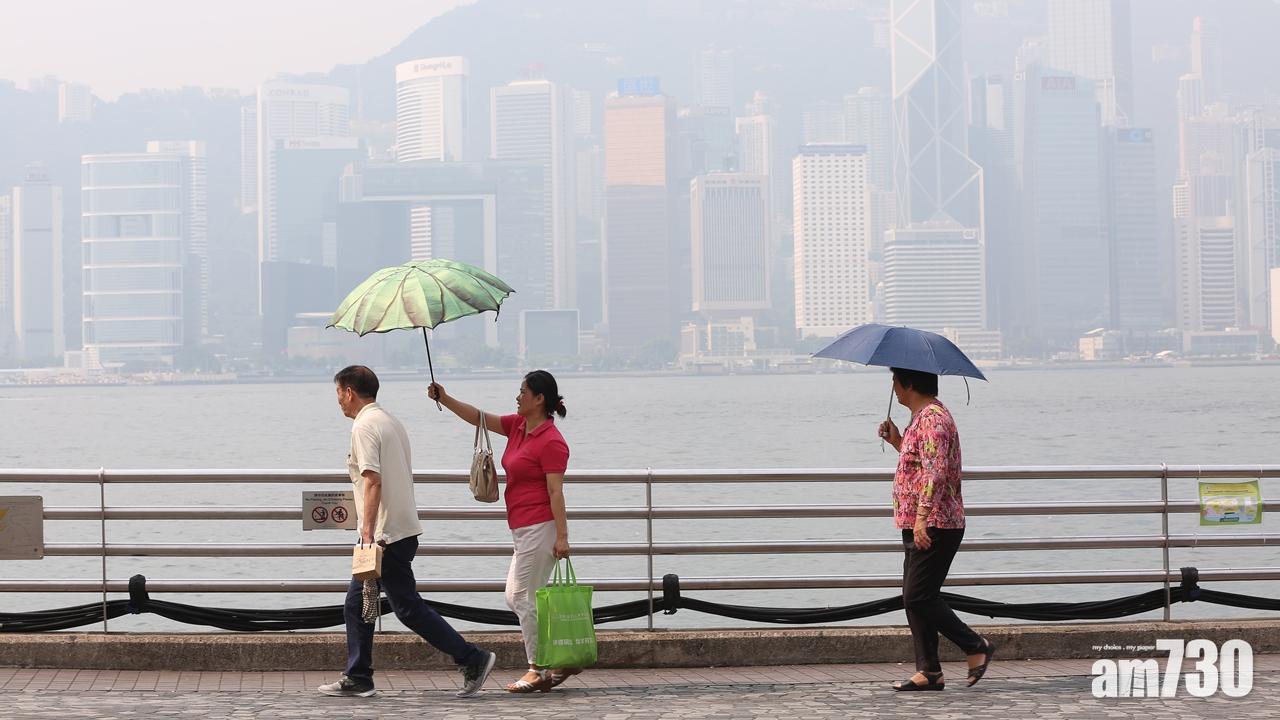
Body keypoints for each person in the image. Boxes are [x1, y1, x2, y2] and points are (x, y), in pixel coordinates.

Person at [319, 365, 496, 699]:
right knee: (359, 606)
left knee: (407, 608)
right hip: (401, 528)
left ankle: (472, 658)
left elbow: (373, 480)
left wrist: (368, 535)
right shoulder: (389, 421)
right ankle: (358, 676)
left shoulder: (364, 426)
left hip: (385, 535)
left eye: (339, 394)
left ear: (349, 392)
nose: (339, 401)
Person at [427, 370, 576, 693]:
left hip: (541, 527)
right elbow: (479, 418)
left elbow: (556, 493)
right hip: (522, 528)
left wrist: (562, 537)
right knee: (523, 596)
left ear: (539, 399)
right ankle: (559, 659)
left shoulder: (552, 441)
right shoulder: (518, 426)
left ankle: (538, 668)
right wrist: (445, 397)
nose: (518, 396)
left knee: (519, 595)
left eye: (523, 392)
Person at [877, 367, 995, 691]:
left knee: (918, 595)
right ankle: (929, 671)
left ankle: (975, 645)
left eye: (895, 381)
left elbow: (937, 472)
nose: (894, 388)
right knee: (913, 597)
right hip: (921, 523)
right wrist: (898, 440)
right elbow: (921, 464)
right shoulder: (921, 418)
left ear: (909, 383)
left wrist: (921, 517)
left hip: (935, 524)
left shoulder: (932, 419)